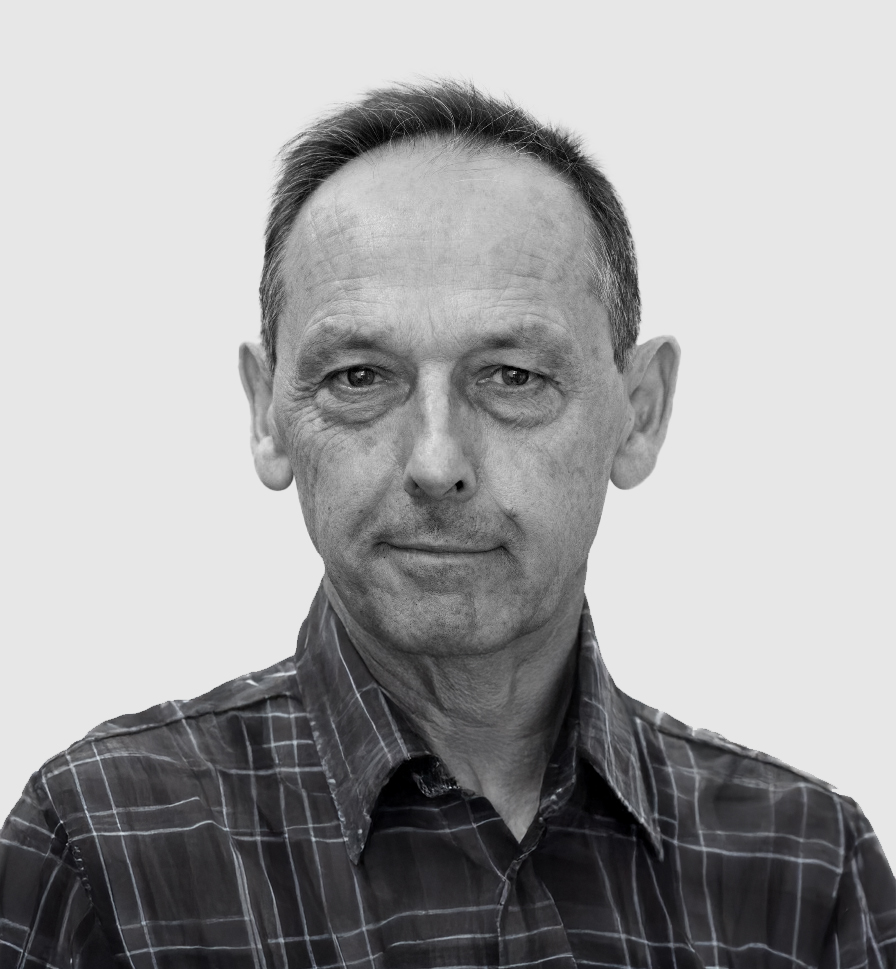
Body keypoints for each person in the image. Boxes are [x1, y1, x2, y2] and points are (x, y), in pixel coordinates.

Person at [1, 80, 893, 969]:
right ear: (268, 415)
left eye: (511, 375)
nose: (436, 461)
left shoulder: (808, 870)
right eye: (359, 376)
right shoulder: (97, 853)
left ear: (641, 412)